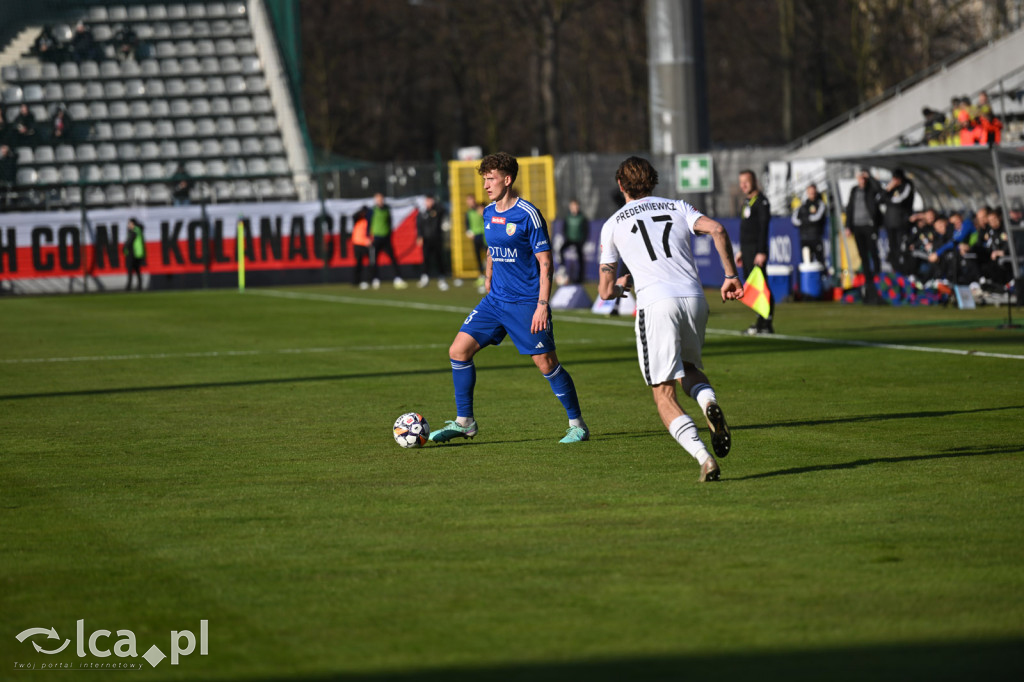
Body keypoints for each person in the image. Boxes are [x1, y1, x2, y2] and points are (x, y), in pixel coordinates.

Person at [598, 156, 742, 482]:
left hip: (656, 304)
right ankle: (708, 404)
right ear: (653, 181)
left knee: (663, 393)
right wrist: (731, 275)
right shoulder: (677, 206)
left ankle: (704, 458)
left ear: (621, 186)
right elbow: (717, 229)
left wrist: (621, 284)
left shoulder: (614, 223)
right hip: (693, 299)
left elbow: (605, 290)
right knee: (688, 369)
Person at [430, 152, 588, 445]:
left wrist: (542, 305)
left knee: (546, 363)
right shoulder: (488, 212)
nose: (486, 185)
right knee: (458, 351)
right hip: (495, 301)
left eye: (490, 179)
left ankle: (577, 424)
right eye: (484, 179)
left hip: (526, 304)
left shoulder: (528, 214)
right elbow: (492, 248)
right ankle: (465, 422)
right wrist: (489, 275)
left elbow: (546, 263)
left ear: (507, 179)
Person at [736, 169, 774, 334]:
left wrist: (761, 251)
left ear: (754, 181)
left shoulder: (761, 202)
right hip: (747, 249)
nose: (743, 185)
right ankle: (760, 321)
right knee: (753, 285)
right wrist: (742, 251)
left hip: (757, 249)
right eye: (741, 182)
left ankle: (766, 322)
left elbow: (763, 228)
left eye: (746, 181)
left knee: (761, 285)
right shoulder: (747, 202)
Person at [844, 170, 883, 303]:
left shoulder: (871, 189)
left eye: (863, 177)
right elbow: (850, 208)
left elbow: (879, 190)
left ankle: (878, 277)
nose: (862, 180)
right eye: (860, 177)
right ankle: (868, 281)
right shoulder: (854, 190)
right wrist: (848, 226)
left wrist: (870, 177)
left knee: (873, 252)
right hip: (857, 226)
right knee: (863, 255)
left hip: (869, 225)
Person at [367, 192, 407, 289]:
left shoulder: (387, 209)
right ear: (375, 200)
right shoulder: (372, 210)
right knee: (374, 260)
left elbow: (389, 222)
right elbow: (368, 224)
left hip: (386, 238)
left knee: (393, 259)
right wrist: (368, 237)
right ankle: (375, 279)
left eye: (381, 199)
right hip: (376, 238)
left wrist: (389, 233)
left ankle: (398, 278)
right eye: (378, 199)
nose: (380, 201)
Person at [882, 168, 915, 274]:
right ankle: (895, 271)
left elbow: (899, 200)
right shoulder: (890, 188)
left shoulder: (907, 185)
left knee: (902, 247)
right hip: (890, 222)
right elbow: (880, 199)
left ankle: (904, 271)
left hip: (902, 222)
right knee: (892, 247)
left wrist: (888, 198)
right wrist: (888, 189)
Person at [416, 195, 449, 290]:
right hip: (426, 239)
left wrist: (435, 204)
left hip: (437, 238)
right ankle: (425, 277)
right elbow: (419, 225)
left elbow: (443, 210)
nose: (429, 203)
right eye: (427, 201)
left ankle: (441, 278)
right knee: (426, 259)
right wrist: (419, 236)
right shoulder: (423, 212)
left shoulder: (438, 210)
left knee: (439, 259)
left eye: (430, 201)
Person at [791, 184, 827, 265]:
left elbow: (817, 218)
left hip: (816, 237)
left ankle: (822, 276)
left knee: (820, 261)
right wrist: (806, 220)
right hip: (804, 238)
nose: (812, 194)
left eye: (813, 192)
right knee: (807, 261)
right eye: (810, 192)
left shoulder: (820, 204)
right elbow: (794, 220)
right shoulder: (803, 205)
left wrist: (804, 220)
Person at [559, 198, 589, 283]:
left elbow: (586, 230)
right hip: (569, 239)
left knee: (580, 258)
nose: (574, 208)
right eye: (573, 206)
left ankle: (580, 278)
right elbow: (564, 229)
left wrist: (583, 241)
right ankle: (562, 268)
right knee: (561, 250)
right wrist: (566, 237)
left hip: (579, 241)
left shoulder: (582, 217)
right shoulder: (567, 217)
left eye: (576, 206)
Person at [465, 194, 487, 287]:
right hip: (475, 237)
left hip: (484, 236)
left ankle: (490, 276)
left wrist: (482, 213)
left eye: (471, 200)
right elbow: (467, 225)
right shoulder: (468, 213)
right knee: (478, 257)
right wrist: (469, 232)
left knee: (488, 257)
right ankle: (481, 276)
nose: (470, 202)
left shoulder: (481, 209)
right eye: (468, 200)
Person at [350, 206, 373, 289]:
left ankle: (370, 280)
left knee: (371, 263)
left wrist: (370, 240)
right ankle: (356, 281)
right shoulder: (358, 219)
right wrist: (361, 212)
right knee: (358, 263)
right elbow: (354, 216)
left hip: (366, 244)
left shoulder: (369, 221)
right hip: (357, 244)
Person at [123, 217, 146, 291]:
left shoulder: (134, 231)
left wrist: (124, 247)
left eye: (129, 223)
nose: (128, 225)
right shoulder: (138, 230)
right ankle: (139, 286)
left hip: (132, 253)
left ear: (132, 224)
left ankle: (129, 286)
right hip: (137, 253)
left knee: (130, 270)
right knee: (137, 270)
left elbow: (129, 242)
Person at [0, 145, 17, 211]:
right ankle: (2, 207)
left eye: (5, 149)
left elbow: (16, 155)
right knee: (3, 192)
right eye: (2, 150)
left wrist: (9, 152)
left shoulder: (11, 159)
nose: (3, 151)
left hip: (10, 180)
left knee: (13, 192)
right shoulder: (1, 160)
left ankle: (14, 206)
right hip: (2, 180)